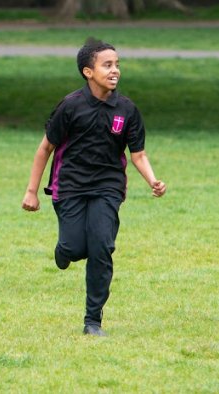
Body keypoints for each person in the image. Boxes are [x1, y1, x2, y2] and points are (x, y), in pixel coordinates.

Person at [21, 38, 167, 337]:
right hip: (70, 185)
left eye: (117, 65)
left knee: (101, 247)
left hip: (107, 187)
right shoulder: (70, 105)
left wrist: (152, 180)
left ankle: (93, 321)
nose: (115, 70)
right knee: (76, 247)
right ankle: (64, 250)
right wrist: (32, 191)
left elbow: (137, 154)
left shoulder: (126, 109)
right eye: (107, 65)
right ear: (88, 72)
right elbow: (45, 148)